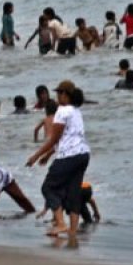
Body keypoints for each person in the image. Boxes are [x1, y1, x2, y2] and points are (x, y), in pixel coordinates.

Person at [27, 80, 91, 237]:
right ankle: (73, 231)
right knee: (74, 191)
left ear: (65, 94)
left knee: (48, 188)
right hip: (83, 155)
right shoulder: (76, 111)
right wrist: (48, 156)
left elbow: (54, 139)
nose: (56, 97)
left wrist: (36, 156)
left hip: (68, 156)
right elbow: (66, 137)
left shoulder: (62, 112)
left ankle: (61, 223)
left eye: (58, 93)